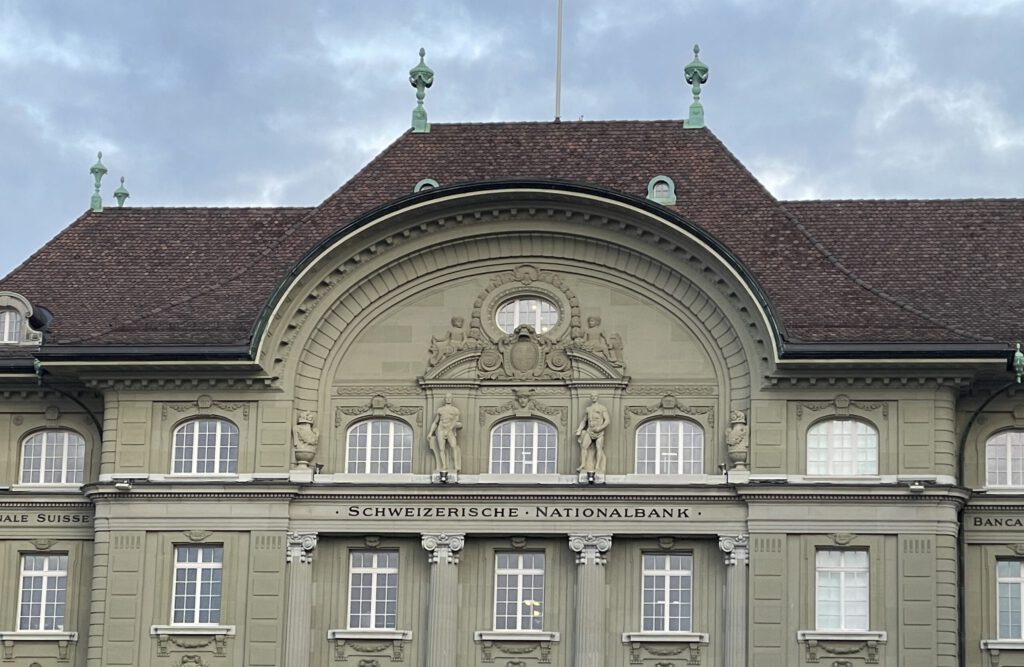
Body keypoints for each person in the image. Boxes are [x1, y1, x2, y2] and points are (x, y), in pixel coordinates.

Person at [428, 393, 462, 472]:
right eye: (447, 398)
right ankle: (444, 466)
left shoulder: (455, 410)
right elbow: (435, 422)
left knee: (453, 446)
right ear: (445, 399)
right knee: (441, 448)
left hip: (450, 430)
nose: (448, 399)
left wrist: (450, 429)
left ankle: (456, 465)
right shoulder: (440, 410)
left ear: (451, 399)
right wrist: (430, 433)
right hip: (441, 429)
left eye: (450, 397)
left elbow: (456, 421)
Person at [576, 394, 609, 474]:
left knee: (599, 448)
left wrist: (600, 428)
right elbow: (584, 421)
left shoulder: (602, 408)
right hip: (590, 430)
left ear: (597, 397)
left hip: (599, 431)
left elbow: (607, 421)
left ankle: (597, 466)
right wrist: (579, 430)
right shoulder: (588, 409)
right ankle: (583, 464)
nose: (594, 397)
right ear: (591, 398)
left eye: (595, 396)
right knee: (584, 446)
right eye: (592, 396)